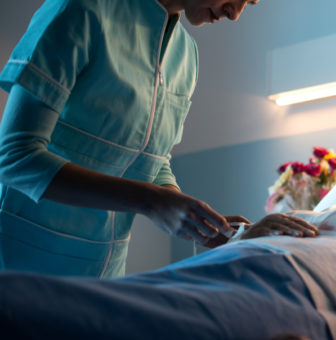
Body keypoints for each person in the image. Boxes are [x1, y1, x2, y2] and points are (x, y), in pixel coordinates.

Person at [0, 93, 336, 340]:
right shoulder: (330, 211)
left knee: (37, 312)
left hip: (298, 296)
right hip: (230, 270)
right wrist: (252, 232)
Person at [0, 0, 259, 278]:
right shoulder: (81, 9)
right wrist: (152, 201)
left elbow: (154, 160)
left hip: (106, 277)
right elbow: (15, 157)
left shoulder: (186, 56)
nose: (235, 13)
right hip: (20, 271)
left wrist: (192, 219)